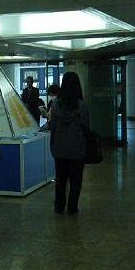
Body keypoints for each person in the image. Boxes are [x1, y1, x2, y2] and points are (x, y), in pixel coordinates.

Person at [50, 71, 89, 215]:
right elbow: (86, 128)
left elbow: (52, 127)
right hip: (77, 150)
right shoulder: (82, 106)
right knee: (76, 181)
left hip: (59, 149)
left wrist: (53, 146)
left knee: (60, 180)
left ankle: (59, 206)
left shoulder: (55, 106)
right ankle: (72, 207)